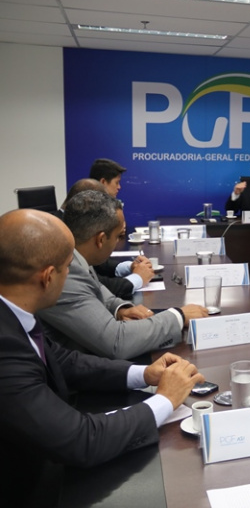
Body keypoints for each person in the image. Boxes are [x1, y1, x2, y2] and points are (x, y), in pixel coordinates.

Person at [0, 209, 204, 507]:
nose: (70, 276)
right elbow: (80, 441)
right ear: (48, 277)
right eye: (67, 268)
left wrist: (143, 374)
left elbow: (65, 362)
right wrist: (165, 400)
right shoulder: (4, 347)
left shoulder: (14, 312)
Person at [38, 190, 208, 360]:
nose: (119, 242)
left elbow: (96, 290)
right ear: (100, 240)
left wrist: (121, 309)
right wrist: (179, 316)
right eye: (119, 236)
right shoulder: (63, 271)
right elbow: (117, 342)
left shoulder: (76, 255)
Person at [60, 178, 154, 298]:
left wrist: (129, 267)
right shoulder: (64, 257)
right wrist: (138, 278)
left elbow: (98, 277)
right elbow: (97, 287)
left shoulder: (80, 248)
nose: (119, 187)